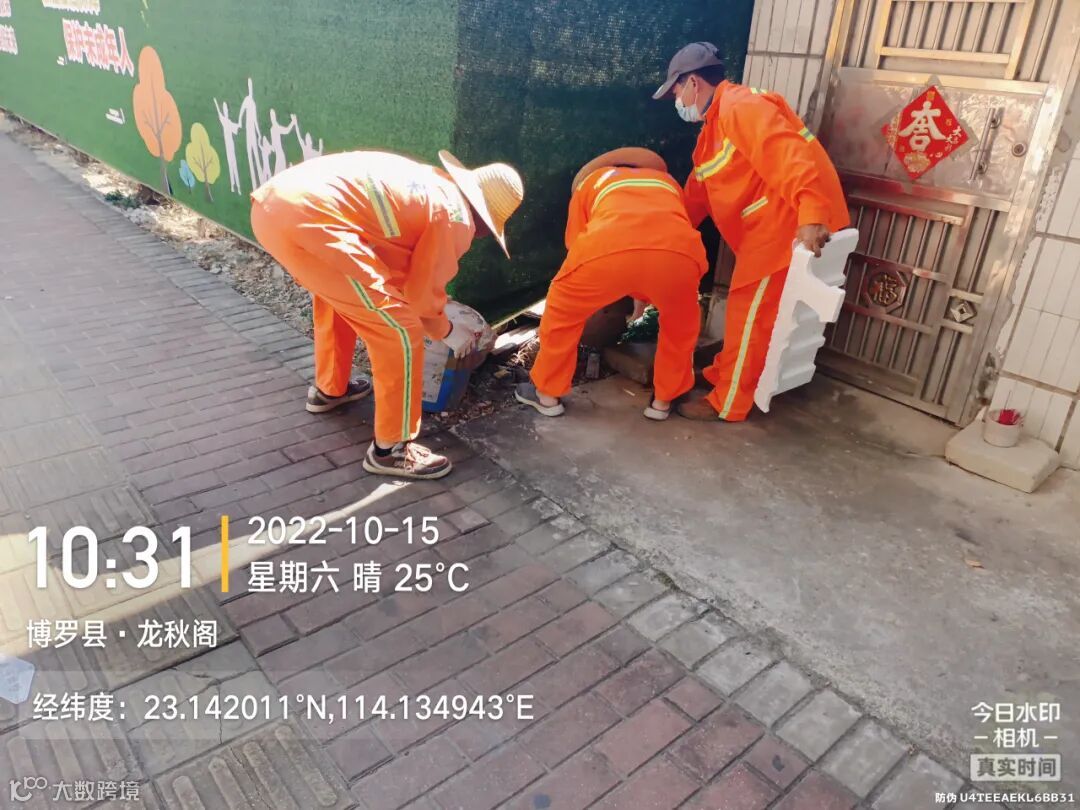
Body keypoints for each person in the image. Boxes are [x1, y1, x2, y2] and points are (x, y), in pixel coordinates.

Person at [250, 150, 524, 479]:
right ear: (483, 216)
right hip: (312, 222)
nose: (481, 236)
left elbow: (393, 264)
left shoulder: (433, 184)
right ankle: (392, 450)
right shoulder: (456, 216)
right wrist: (448, 331)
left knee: (343, 299)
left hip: (274, 207)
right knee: (400, 332)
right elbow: (421, 299)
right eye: (488, 229)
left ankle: (331, 389)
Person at [653, 42, 849, 422]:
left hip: (784, 227)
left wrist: (811, 212)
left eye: (676, 91)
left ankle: (727, 402)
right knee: (749, 315)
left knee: (750, 315)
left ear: (693, 82)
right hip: (767, 229)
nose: (676, 100)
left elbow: (788, 155)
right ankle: (722, 375)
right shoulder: (714, 128)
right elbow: (698, 191)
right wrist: (667, 229)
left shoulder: (741, 107)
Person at [516, 148, 708, 420]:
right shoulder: (667, 182)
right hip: (678, 256)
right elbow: (659, 240)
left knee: (562, 314)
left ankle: (547, 395)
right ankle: (664, 400)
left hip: (606, 249)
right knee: (680, 324)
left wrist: (605, 284)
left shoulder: (593, 182)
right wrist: (641, 291)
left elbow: (575, 242)